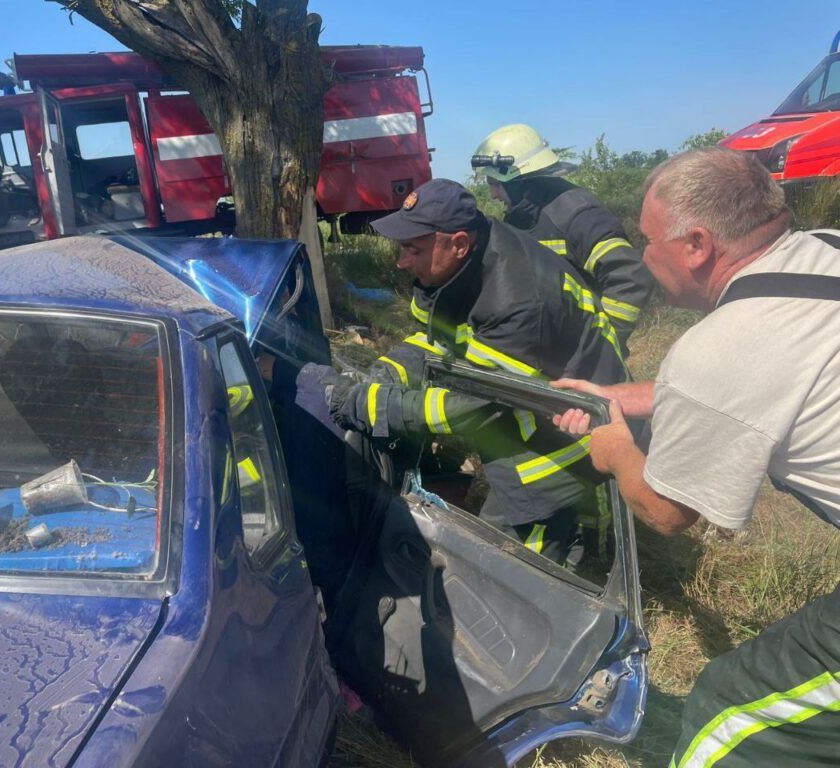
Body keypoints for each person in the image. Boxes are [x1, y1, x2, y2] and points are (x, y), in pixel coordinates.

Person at [552, 147, 840, 766]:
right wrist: (613, 396)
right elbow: (759, 381)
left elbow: (667, 512)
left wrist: (614, 451)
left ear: (697, 244)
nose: (642, 255)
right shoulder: (825, 250)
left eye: (648, 238)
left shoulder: (718, 346)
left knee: (731, 712)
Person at [267, 178, 629, 565]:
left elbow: (475, 407)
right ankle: (580, 544)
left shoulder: (519, 302)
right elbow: (433, 341)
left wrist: (368, 405)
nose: (401, 262)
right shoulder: (456, 266)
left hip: (568, 425)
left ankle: (557, 583)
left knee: (514, 547)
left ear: (458, 243)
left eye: (412, 249)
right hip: (526, 394)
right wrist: (384, 373)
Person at [473, 123, 655, 345]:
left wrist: (601, 344)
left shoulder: (579, 214)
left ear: (518, 180)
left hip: (584, 361)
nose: (492, 194)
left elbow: (631, 277)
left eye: (494, 183)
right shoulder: (522, 216)